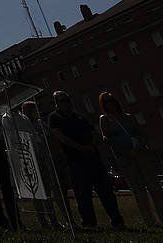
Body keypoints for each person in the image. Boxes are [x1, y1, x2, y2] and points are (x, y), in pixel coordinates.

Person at [98, 91, 163, 229]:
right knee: (138, 190)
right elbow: (107, 139)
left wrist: (139, 146)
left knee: (155, 188)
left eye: (111, 100)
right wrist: (124, 151)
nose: (110, 104)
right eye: (106, 102)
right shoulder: (105, 120)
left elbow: (141, 133)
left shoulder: (128, 117)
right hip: (125, 158)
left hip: (140, 154)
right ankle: (150, 221)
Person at [47, 90, 125, 231]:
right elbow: (59, 136)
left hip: (92, 157)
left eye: (67, 99)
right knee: (83, 193)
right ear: (57, 103)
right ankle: (89, 223)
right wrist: (79, 147)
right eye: (62, 100)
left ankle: (117, 220)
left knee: (105, 191)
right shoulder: (55, 117)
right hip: (75, 160)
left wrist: (94, 144)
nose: (66, 103)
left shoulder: (79, 116)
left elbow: (92, 132)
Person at [3, 101, 65, 229]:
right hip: (25, 155)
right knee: (35, 190)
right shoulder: (6, 118)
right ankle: (43, 220)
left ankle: (53, 220)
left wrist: (38, 144)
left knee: (46, 189)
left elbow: (33, 133)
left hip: (37, 154)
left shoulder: (23, 117)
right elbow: (11, 136)